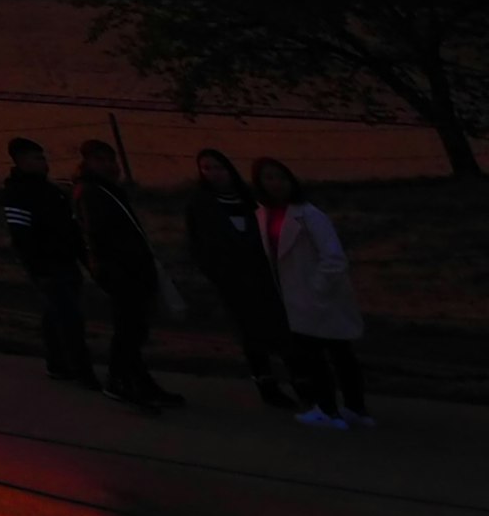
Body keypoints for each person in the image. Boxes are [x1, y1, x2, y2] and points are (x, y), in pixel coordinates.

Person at [253, 157, 370, 427]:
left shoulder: (309, 214)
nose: (275, 183)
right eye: (268, 178)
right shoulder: (262, 214)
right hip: (294, 297)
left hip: (320, 297)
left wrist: (316, 288)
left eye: (280, 177)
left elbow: (334, 258)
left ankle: (350, 408)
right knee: (315, 358)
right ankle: (332, 408)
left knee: (338, 356)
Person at [73, 140, 180, 409]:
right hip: (121, 272)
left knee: (134, 329)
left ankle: (138, 379)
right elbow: (99, 235)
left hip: (130, 269)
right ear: (87, 163)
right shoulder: (91, 192)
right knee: (128, 329)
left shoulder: (106, 189)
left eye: (110, 159)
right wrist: (115, 269)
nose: (108, 165)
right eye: (100, 160)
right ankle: (118, 380)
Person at [184, 150, 292, 406]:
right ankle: (267, 386)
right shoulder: (200, 203)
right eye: (206, 168)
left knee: (280, 330)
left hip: (264, 275)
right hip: (232, 280)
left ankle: (302, 383)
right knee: (251, 335)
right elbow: (197, 245)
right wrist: (218, 274)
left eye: (217, 167)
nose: (212, 173)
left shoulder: (249, 199)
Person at [0, 136, 95, 385]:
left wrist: (84, 257)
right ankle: (80, 370)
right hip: (48, 266)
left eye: (43, 158)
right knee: (68, 318)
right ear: (21, 161)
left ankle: (59, 363)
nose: (44, 163)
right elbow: (21, 235)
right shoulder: (18, 194)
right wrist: (38, 267)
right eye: (37, 158)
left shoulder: (52, 192)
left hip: (65, 262)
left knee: (58, 315)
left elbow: (72, 229)